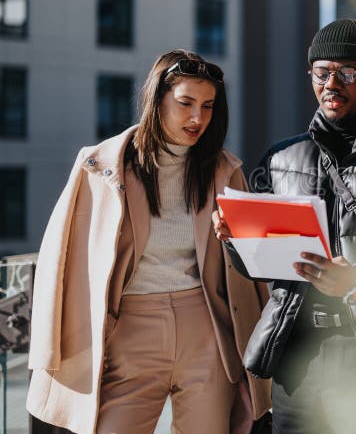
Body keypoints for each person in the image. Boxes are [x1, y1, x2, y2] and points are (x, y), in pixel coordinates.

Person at [214, 18, 356, 434]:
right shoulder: (279, 159)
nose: (331, 84)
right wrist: (236, 241)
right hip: (298, 359)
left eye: (347, 73)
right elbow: (263, 267)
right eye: (321, 73)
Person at [27, 50, 270, 434]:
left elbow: (253, 267)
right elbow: (59, 258)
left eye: (207, 106)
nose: (197, 118)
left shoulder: (225, 171)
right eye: (185, 103)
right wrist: (46, 349)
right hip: (129, 331)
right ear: (157, 101)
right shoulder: (101, 167)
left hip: (205, 330)